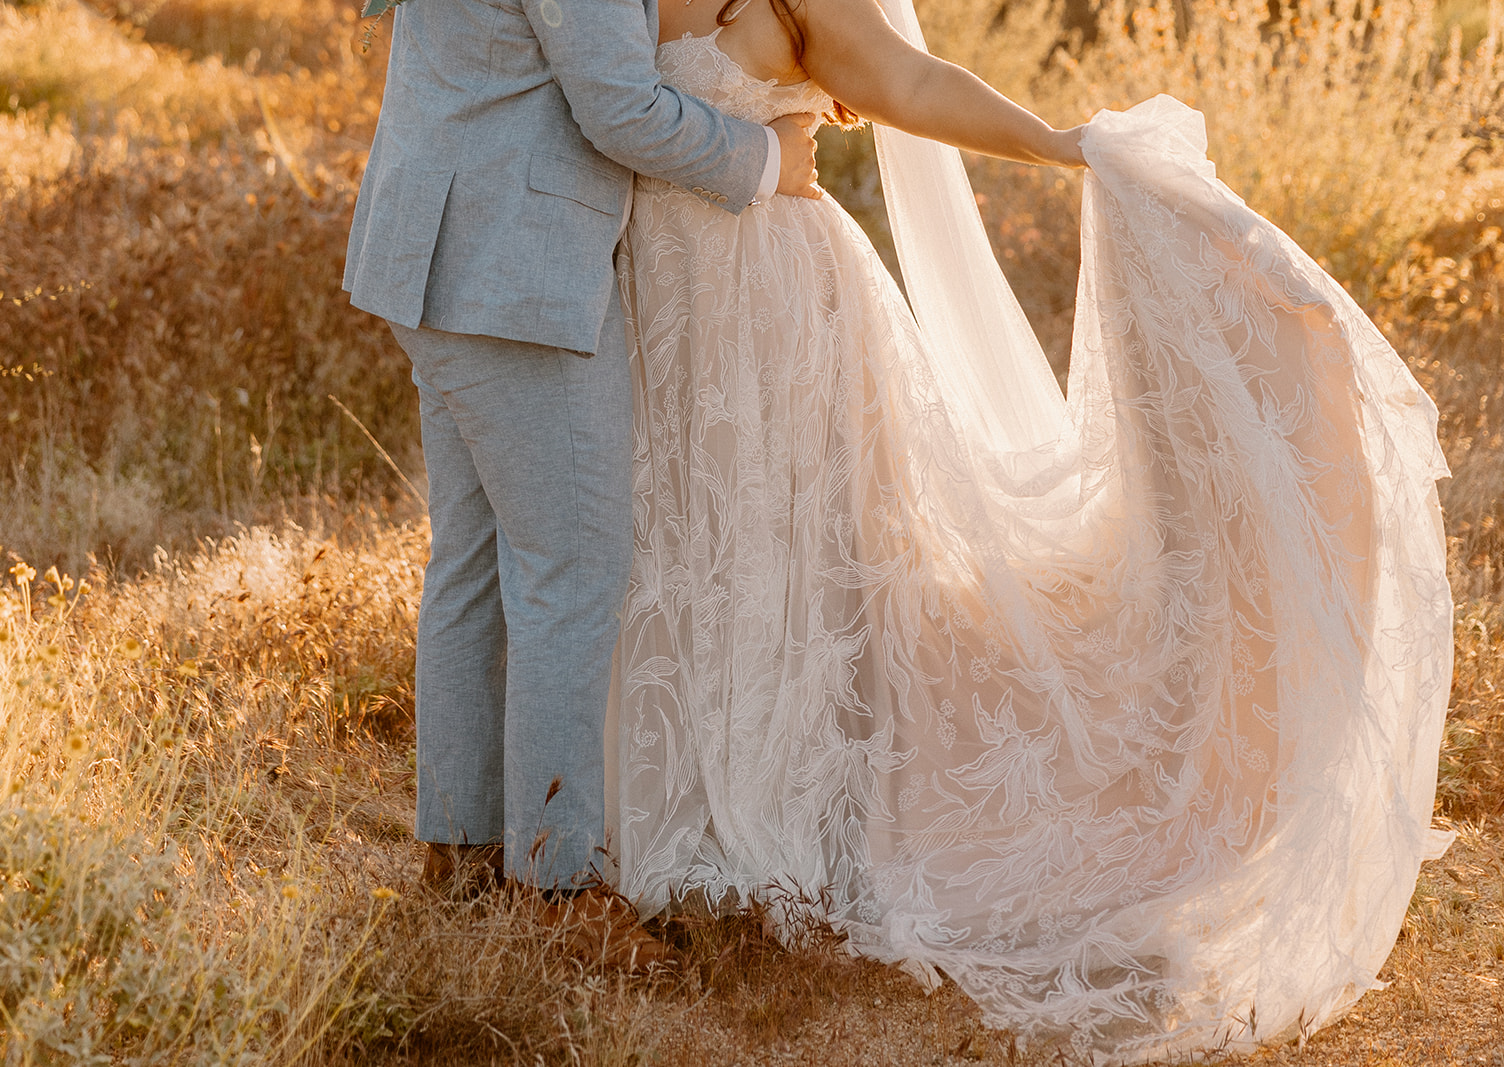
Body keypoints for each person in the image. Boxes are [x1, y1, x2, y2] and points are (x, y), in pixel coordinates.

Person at [612, 0, 1454, 1059]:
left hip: (775, 314)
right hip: (645, 303)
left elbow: (915, 87)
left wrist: (1061, 147)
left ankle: (769, 821)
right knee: (667, 547)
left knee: (785, 563)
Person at [341, 0, 823, 937]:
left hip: (438, 248)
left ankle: (462, 850)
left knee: (472, 567)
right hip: (512, 271)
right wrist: (769, 158)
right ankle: (557, 894)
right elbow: (617, 107)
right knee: (572, 572)